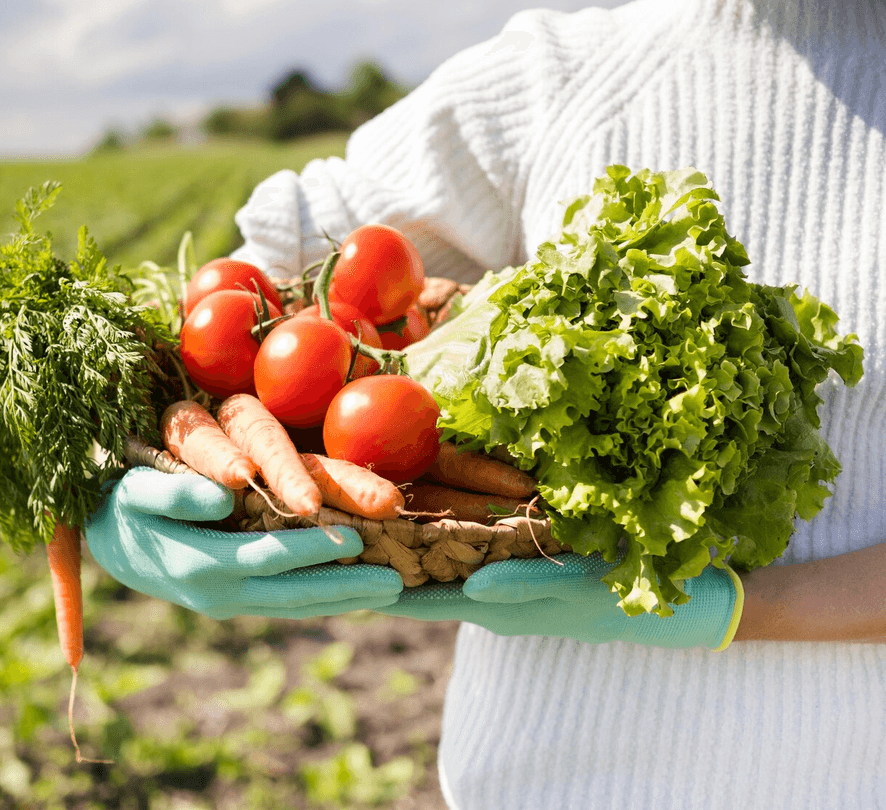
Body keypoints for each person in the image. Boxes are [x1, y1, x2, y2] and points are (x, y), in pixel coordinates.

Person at [86, 0, 886, 805]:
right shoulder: (557, 75)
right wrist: (108, 468)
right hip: (537, 783)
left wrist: (723, 607)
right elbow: (238, 297)